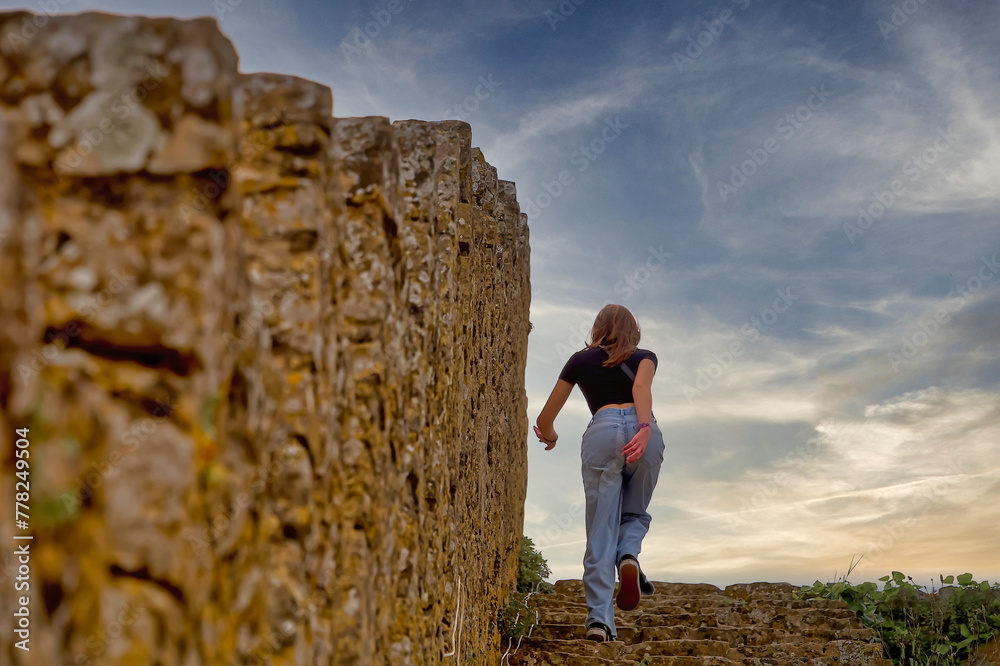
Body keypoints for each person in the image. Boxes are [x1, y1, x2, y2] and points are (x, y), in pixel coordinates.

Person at [533, 304, 664, 643]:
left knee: (601, 529)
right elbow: (641, 390)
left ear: (598, 327)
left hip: (603, 432)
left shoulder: (580, 360)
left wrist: (550, 434)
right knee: (635, 512)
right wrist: (645, 428)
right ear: (633, 329)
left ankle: (600, 622)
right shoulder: (646, 356)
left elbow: (546, 417)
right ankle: (629, 557)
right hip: (643, 433)